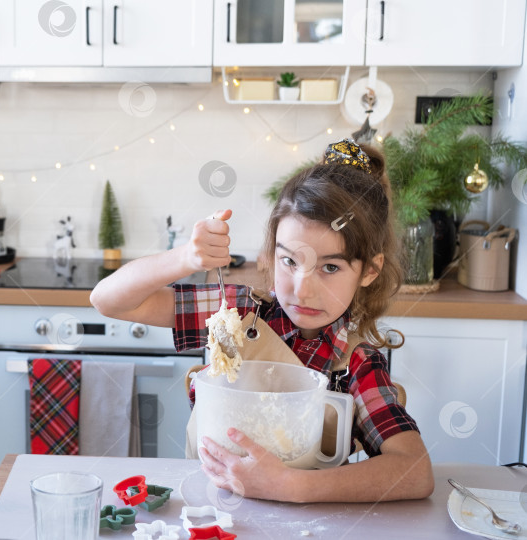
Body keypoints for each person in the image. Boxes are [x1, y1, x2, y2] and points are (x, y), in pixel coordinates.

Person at [90, 139, 435, 503]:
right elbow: (109, 301)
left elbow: (415, 470)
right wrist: (185, 258)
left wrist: (291, 485)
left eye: (330, 267)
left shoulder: (355, 365)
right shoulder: (236, 315)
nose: (302, 291)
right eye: (289, 261)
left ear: (370, 270)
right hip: (208, 512)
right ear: (272, 253)